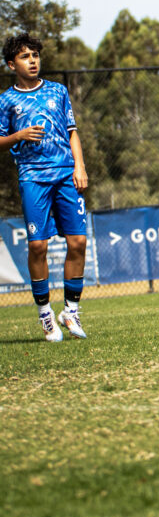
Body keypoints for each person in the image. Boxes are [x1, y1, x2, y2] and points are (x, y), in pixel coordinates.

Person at [0, 32, 89, 342]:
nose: (33, 60)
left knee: (78, 241)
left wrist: (80, 166)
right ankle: (45, 315)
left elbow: (72, 132)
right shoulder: (5, 100)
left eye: (35, 55)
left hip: (66, 173)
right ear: (12, 64)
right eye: (25, 56)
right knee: (38, 245)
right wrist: (18, 135)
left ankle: (71, 311)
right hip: (32, 176)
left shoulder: (58, 91)